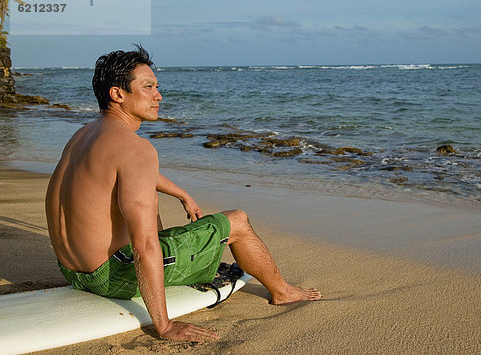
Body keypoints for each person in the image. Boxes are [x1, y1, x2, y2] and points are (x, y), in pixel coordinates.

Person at [45, 45, 321, 343]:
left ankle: (181, 260)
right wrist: (163, 325)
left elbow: (127, 173)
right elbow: (145, 245)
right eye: (148, 87)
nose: (158, 95)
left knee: (148, 197)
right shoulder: (135, 149)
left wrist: (182, 193)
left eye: (157, 87)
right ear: (118, 94)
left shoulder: (84, 134)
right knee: (237, 222)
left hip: (73, 272)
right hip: (113, 277)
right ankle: (282, 291)